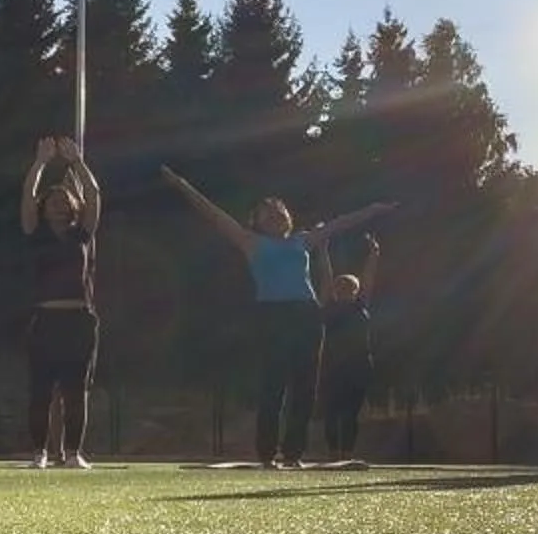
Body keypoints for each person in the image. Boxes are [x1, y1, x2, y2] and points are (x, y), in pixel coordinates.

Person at [161, 169, 391, 468]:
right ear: (256, 221)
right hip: (273, 315)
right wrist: (183, 185)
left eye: (280, 212)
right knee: (273, 386)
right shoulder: (250, 241)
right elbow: (215, 215)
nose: (276, 216)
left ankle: (293, 453)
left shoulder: (302, 241)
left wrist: (372, 210)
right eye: (268, 214)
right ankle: (267, 454)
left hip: (306, 314)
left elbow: (339, 224)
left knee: (305, 387)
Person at [21, 137, 103, 469]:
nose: (58, 205)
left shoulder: (82, 235)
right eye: (52, 201)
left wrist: (77, 163)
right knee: (40, 390)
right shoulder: (35, 232)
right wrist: (39, 164)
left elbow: (95, 196)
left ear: (73, 207)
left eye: (63, 201)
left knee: (75, 391)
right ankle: (39, 452)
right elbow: (27, 196)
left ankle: (73, 453)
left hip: (79, 321)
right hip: (45, 321)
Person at [316, 235, 380, 464]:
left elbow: (368, 280)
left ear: (355, 290)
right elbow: (325, 276)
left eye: (349, 286)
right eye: (340, 286)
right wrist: (323, 250)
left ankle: (347, 453)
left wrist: (373, 255)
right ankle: (334, 452)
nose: (345, 289)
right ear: (335, 289)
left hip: (358, 365)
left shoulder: (360, 305)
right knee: (332, 411)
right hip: (333, 365)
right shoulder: (329, 307)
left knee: (351, 413)